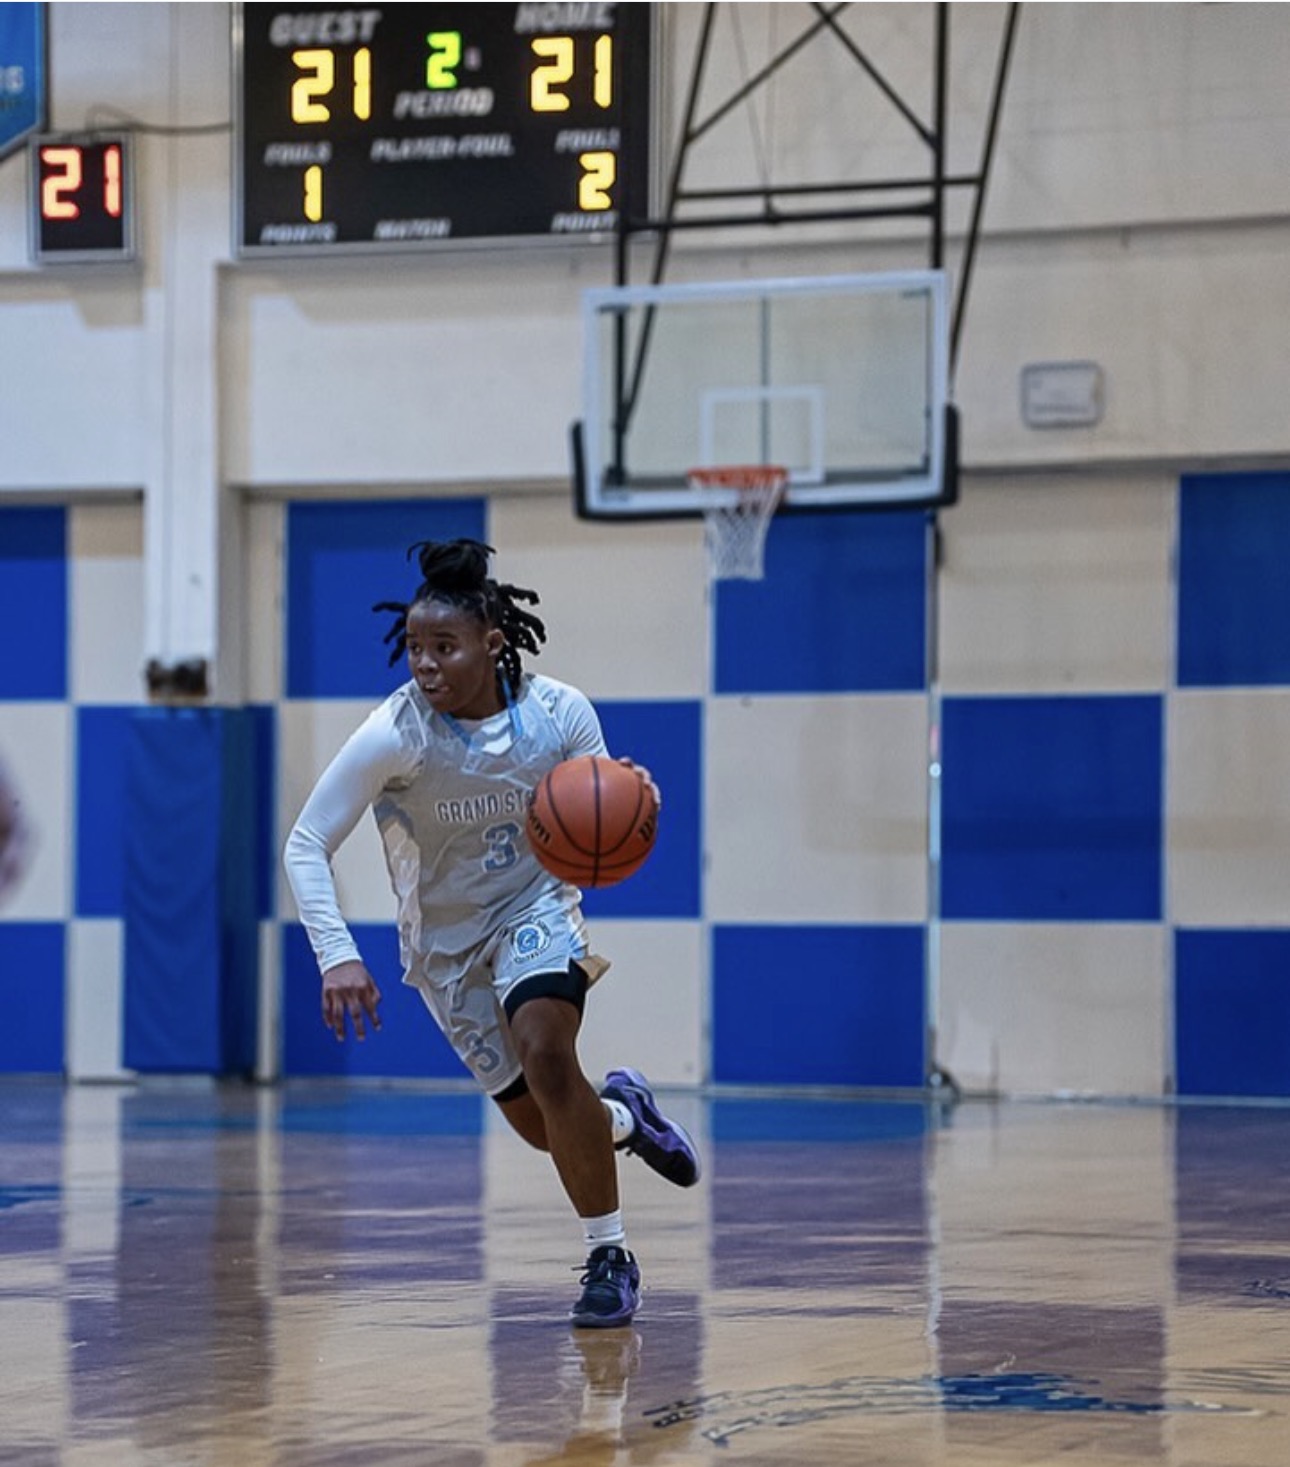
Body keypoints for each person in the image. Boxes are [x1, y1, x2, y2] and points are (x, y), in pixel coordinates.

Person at [283, 538, 700, 1328]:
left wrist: (632, 797)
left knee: (548, 1052)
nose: (425, 664)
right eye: (415, 646)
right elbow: (306, 843)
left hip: (535, 908)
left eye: (444, 646)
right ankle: (625, 1115)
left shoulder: (560, 712)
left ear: (492, 641)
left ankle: (609, 1256)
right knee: (547, 1127)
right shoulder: (394, 733)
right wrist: (337, 955)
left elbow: (605, 802)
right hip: (447, 949)